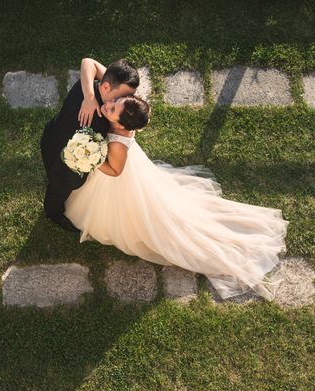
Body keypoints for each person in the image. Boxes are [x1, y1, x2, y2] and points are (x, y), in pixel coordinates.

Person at [64, 95, 288, 301]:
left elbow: (114, 171)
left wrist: (91, 159)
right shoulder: (125, 122)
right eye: (116, 102)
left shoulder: (118, 145)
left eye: (113, 108)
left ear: (121, 125)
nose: (108, 105)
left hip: (120, 180)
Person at [41, 58, 139, 231]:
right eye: (122, 97)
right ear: (106, 86)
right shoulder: (99, 115)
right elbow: (88, 62)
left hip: (54, 135)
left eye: (129, 97)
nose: (127, 101)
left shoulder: (94, 87)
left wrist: (89, 96)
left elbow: (89, 63)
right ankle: (53, 213)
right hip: (65, 163)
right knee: (58, 189)